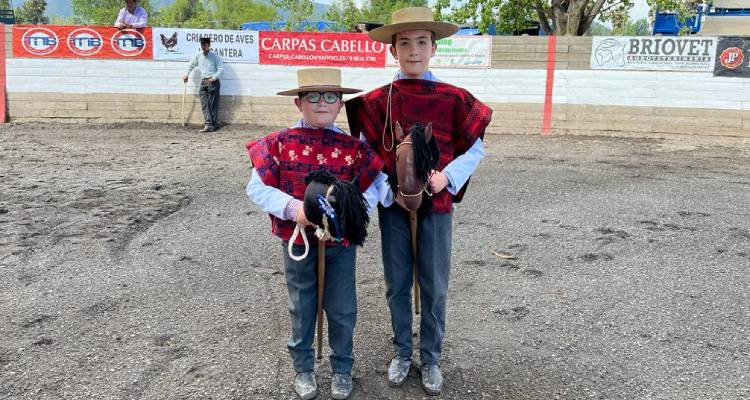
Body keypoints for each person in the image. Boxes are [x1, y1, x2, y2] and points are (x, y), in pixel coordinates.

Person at [345, 6, 493, 397]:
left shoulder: (452, 98)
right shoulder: (377, 103)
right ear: (393, 50)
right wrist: (385, 186)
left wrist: (447, 177)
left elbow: (475, 149)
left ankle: (430, 357)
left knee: (434, 284)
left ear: (434, 48)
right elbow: (365, 152)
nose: (414, 50)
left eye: (422, 42)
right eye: (405, 43)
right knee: (396, 284)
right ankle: (401, 352)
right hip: (394, 207)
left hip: (437, 207)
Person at [245, 68, 386, 400]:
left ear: (340, 104)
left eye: (330, 97)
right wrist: (296, 210)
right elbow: (257, 187)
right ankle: (304, 368)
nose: (322, 103)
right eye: (313, 96)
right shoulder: (279, 144)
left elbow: (374, 188)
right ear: (299, 102)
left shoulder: (353, 150)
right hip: (298, 240)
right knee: (301, 304)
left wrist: (346, 216)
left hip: (339, 243)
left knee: (341, 307)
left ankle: (341, 367)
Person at [182, 37, 223, 133]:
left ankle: (212, 124)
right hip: (203, 82)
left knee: (213, 104)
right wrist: (186, 74)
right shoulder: (198, 56)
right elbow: (191, 65)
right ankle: (209, 124)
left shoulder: (215, 56)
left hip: (213, 82)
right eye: (202, 44)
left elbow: (221, 68)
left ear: (209, 45)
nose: (203, 46)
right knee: (204, 104)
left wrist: (215, 77)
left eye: (205, 44)